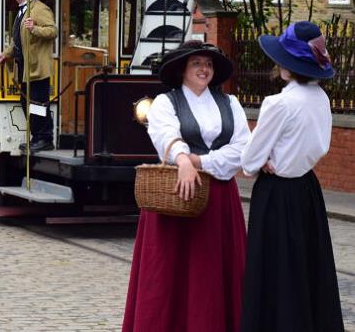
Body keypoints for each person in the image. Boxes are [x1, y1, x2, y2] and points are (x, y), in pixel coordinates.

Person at [122, 40, 250, 332]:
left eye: (208, 64)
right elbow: (164, 134)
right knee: (169, 273)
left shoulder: (230, 103)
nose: (204, 69)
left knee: (213, 272)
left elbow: (243, 147)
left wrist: (199, 162)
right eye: (197, 64)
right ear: (183, 70)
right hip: (176, 194)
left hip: (218, 197)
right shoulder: (167, 102)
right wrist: (182, 161)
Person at [240, 22, 343, 332]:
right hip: (307, 190)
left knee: (276, 273)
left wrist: (268, 161)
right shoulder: (321, 99)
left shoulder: (279, 104)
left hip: (276, 194)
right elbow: (319, 147)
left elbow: (249, 161)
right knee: (307, 271)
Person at [0, 0, 56, 151]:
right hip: (25, 68)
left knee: (38, 103)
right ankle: (37, 136)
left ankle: (45, 139)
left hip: (37, 67)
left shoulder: (39, 9)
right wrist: (6, 53)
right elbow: (18, 39)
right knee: (27, 103)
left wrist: (35, 29)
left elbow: (53, 31)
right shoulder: (23, 10)